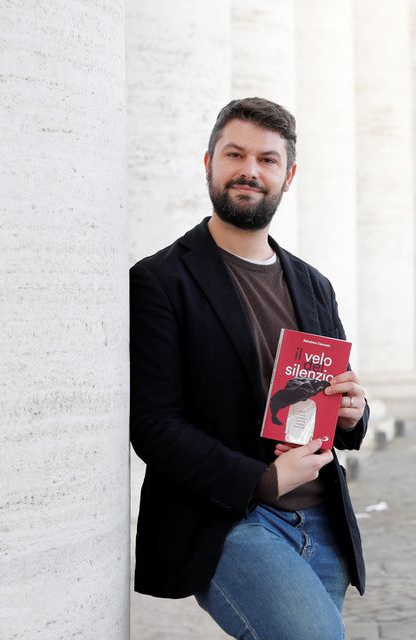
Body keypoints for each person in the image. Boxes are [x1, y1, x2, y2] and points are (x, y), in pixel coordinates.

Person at [129, 97, 368, 640]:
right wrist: (261, 480)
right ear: (209, 161)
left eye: (267, 160)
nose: (250, 171)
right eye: (235, 154)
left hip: (322, 520)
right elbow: (154, 425)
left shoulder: (313, 283)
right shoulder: (160, 281)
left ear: (288, 177)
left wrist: (353, 412)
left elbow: (329, 399)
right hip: (230, 520)